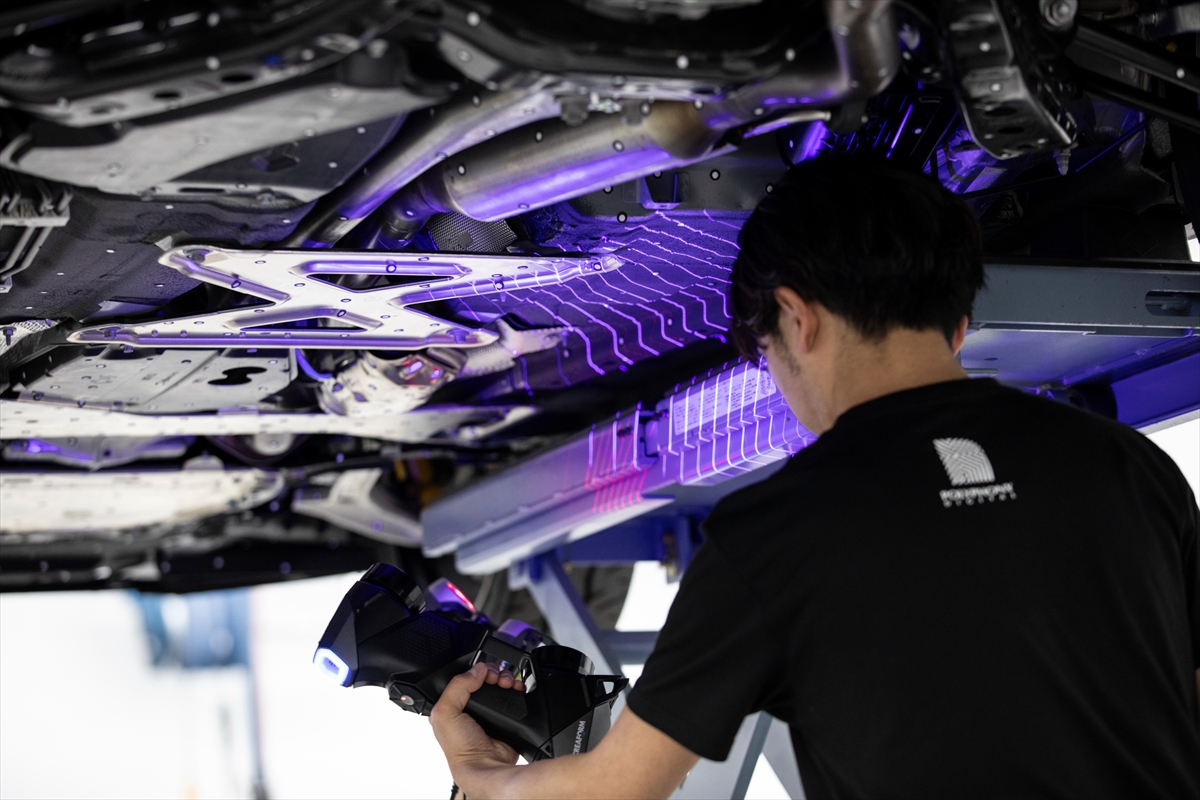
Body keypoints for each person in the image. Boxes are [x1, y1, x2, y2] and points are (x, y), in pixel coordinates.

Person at [428, 155, 1200, 799]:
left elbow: (617, 788)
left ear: (796, 319)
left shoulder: (772, 534)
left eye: (764, 353)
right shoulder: (1131, 469)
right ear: (960, 323)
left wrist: (484, 777)